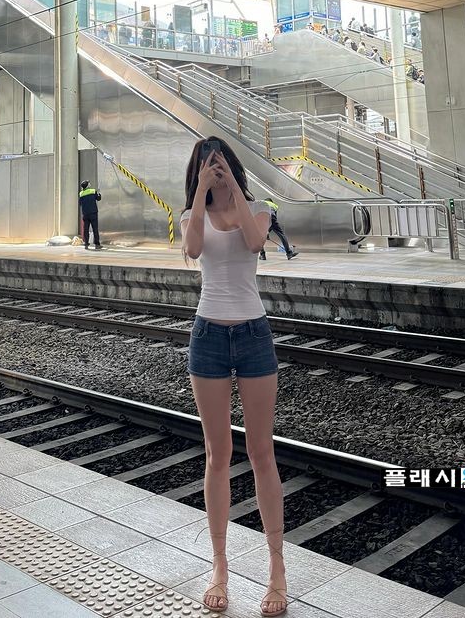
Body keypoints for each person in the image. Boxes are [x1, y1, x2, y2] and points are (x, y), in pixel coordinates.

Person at [180, 138, 287, 617]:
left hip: (253, 335)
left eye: (220, 163)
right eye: (207, 165)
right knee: (217, 454)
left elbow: (255, 242)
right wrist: (200, 192)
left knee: (262, 452)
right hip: (208, 336)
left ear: (234, 167)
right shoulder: (191, 214)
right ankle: (219, 566)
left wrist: (235, 191)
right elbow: (192, 249)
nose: (215, 171)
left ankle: (276, 567)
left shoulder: (259, 209)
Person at [78, 179, 102, 250]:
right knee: (95, 229)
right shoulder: (93, 191)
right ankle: (97, 244)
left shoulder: (81, 194)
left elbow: (80, 204)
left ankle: (86, 243)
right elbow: (98, 198)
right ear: (87, 185)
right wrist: (99, 193)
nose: (89, 183)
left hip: (85, 214)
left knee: (86, 229)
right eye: (88, 183)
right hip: (93, 213)